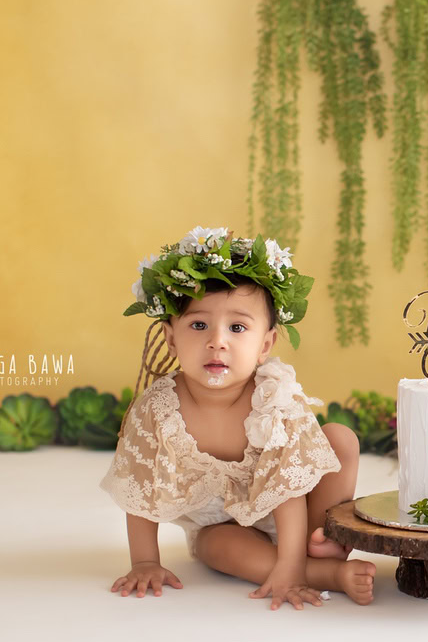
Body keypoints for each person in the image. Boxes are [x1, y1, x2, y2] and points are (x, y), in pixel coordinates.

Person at [99, 226, 376, 609]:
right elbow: (141, 490)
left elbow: (288, 488)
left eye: (237, 327)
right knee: (215, 545)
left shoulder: (273, 399)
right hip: (229, 529)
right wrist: (146, 561)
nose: (218, 341)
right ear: (171, 337)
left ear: (265, 344)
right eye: (199, 325)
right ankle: (325, 573)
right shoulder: (160, 408)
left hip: (296, 510)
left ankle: (318, 544)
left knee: (340, 439)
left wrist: (291, 559)